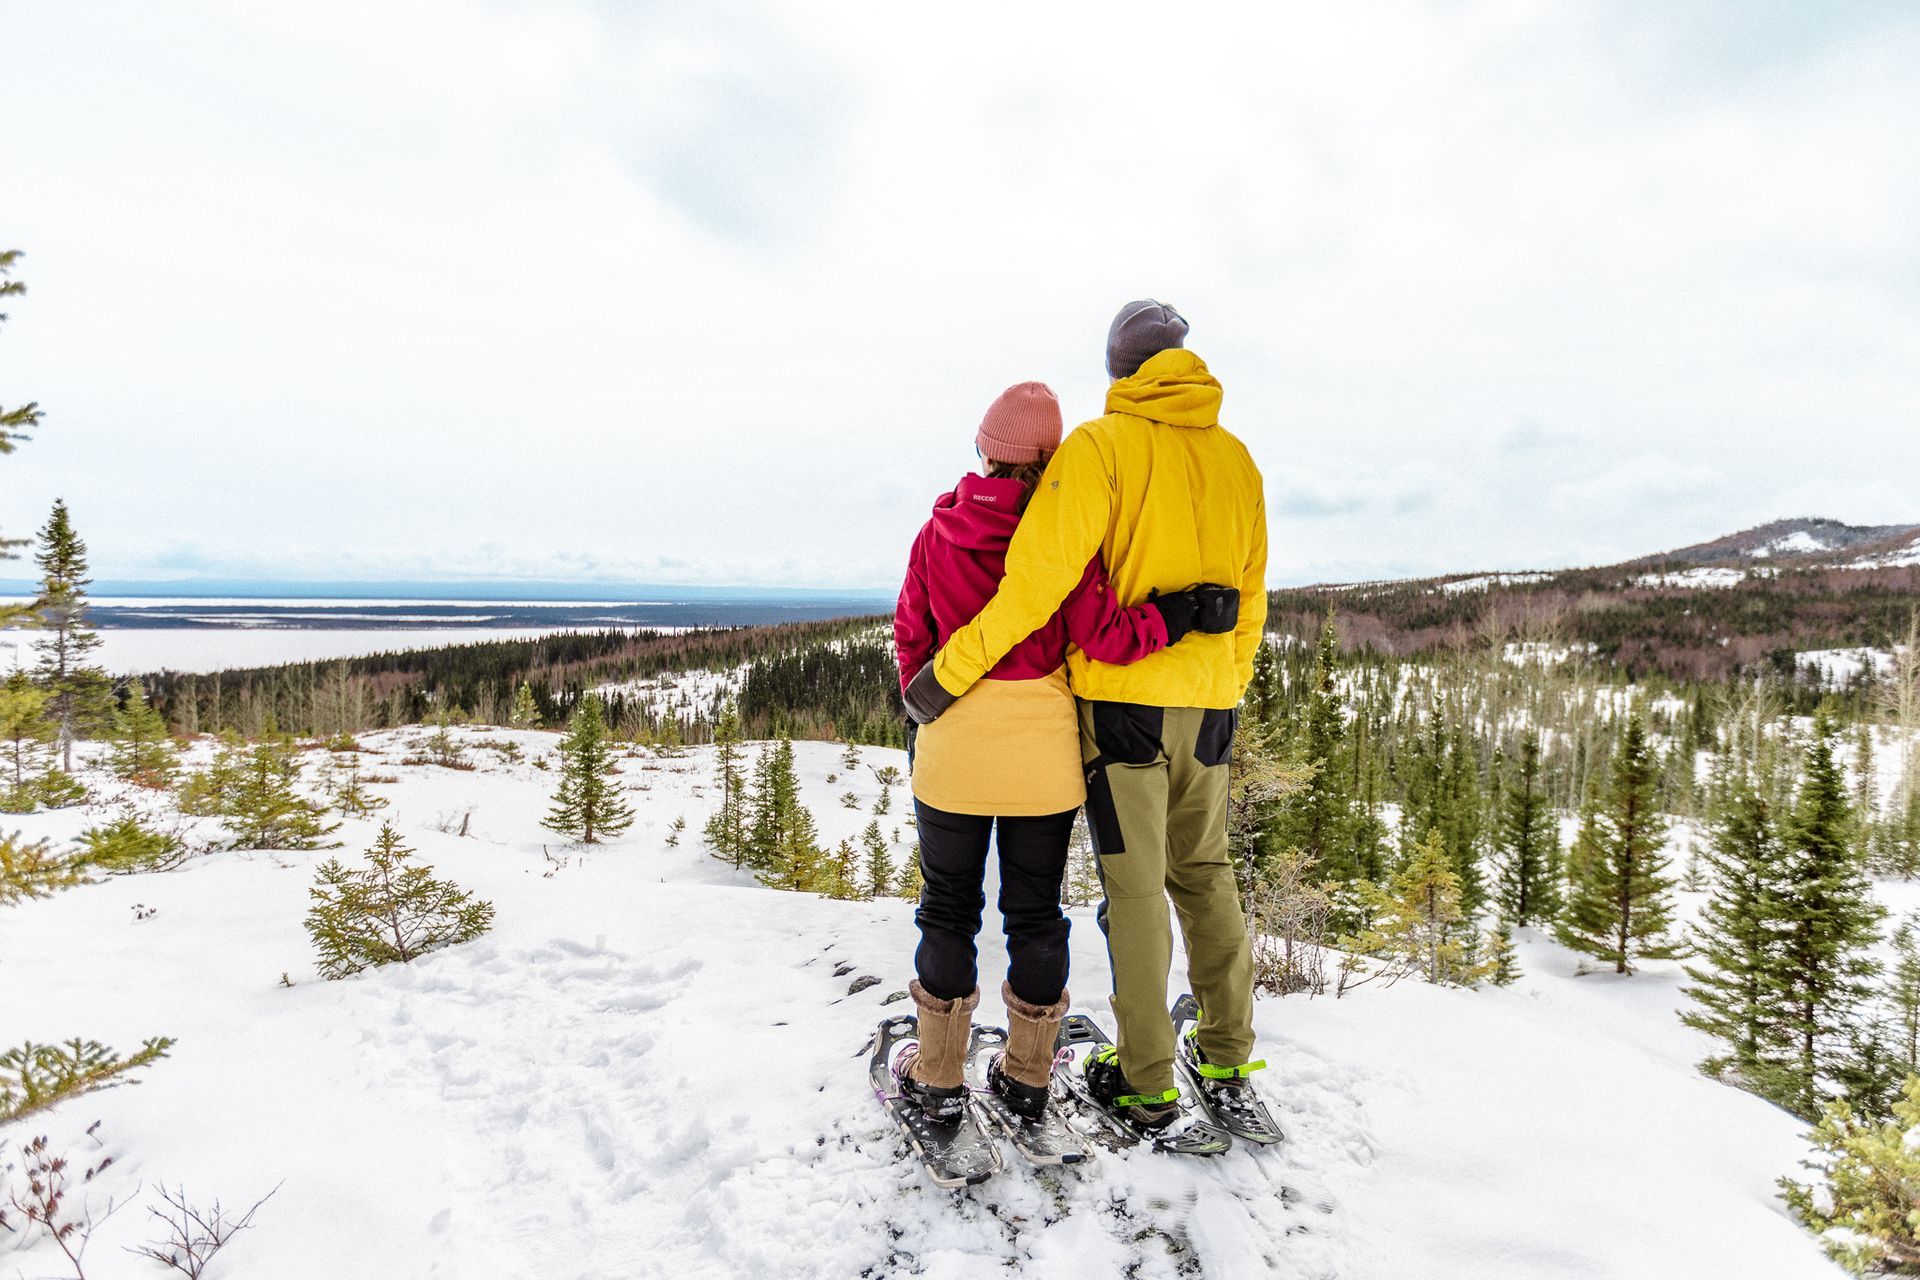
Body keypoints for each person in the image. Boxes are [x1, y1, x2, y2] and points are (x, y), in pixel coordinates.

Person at [903, 300, 1270, 1142]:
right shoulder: (1239, 460)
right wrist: (1228, 680)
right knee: (1206, 877)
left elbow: (1035, 591)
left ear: (1117, 371)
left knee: (1131, 890)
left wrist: (942, 679)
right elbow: (1251, 596)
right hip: (1210, 704)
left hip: (1124, 703)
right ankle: (1224, 1053)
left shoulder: (1102, 452)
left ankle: (1146, 1082)